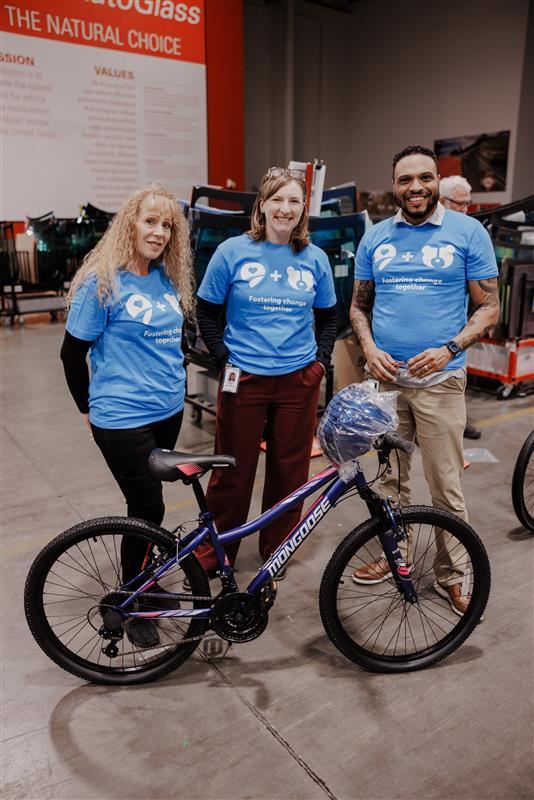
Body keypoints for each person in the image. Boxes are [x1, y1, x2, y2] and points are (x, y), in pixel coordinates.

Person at [350, 145, 499, 615]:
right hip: (388, 383)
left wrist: (450, 348)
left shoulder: (467, 231)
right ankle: (397, 557)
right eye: (405, 180)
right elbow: (359, 306)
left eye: (424, 178)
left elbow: (490, 306)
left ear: (437, 180)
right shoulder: (376, 238)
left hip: (441, 383)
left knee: (445, 487)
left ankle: (452, 574)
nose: (415, 187)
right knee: (390, 481)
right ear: (394, 186)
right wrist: (370, 351)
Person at [60, 184, 194, 647]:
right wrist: (86, 409)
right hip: (121, 417)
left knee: (153, 505)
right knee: (147, 506)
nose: (158, 232)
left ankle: (148, 579)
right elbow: (70, 355)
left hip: (167, 411)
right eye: (150, 221)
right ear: (130, 224)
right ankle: (129, 597)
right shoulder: (103, 281)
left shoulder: (163, 278)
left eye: (167, 225)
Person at [194, 166, 337, 577]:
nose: (285, 209)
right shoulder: (232, 251)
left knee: (289, 470)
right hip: (245, 379)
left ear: (303, 209)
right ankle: (215, 555)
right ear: (263, 205)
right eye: (277, 199)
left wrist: (320, 363)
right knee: (231, 471)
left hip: (298, 381)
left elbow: (328, 317)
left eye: (294, 201)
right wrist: (224, 359)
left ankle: (277, 549)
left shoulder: (315, 258)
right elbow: (206, 311)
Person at [439, 175, 482, 440]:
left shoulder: (470, 231)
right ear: (443, 201)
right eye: (460, 204)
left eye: (468, 205)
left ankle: (456, 421)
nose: (465, 210)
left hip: (456, 321)